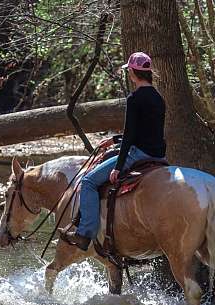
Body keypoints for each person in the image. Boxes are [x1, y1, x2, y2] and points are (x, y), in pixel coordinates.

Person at [59, 51, 167, 251]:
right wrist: (114, 140)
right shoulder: (158, 98)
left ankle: (84, 233)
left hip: (138, 154)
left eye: (130, 72)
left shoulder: (134, 98)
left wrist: (118, 167)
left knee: (88, 181)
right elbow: (146, 131)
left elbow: (130, 136)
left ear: (133, 73)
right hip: (159, 156)